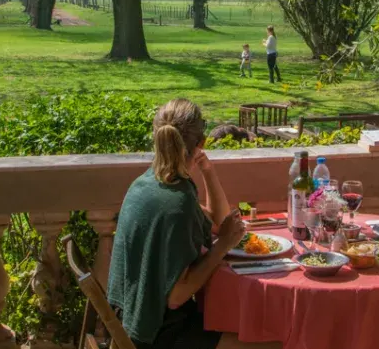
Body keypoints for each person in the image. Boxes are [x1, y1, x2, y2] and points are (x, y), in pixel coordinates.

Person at [107, 99, 277, 349]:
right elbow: (177, 297)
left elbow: (218, 223)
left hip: (129, 318)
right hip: (156, 334)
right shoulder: (178, 201)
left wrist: (208, 170)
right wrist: (223, 246)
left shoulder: (149, 182)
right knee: (278, 342)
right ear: (201, 143)